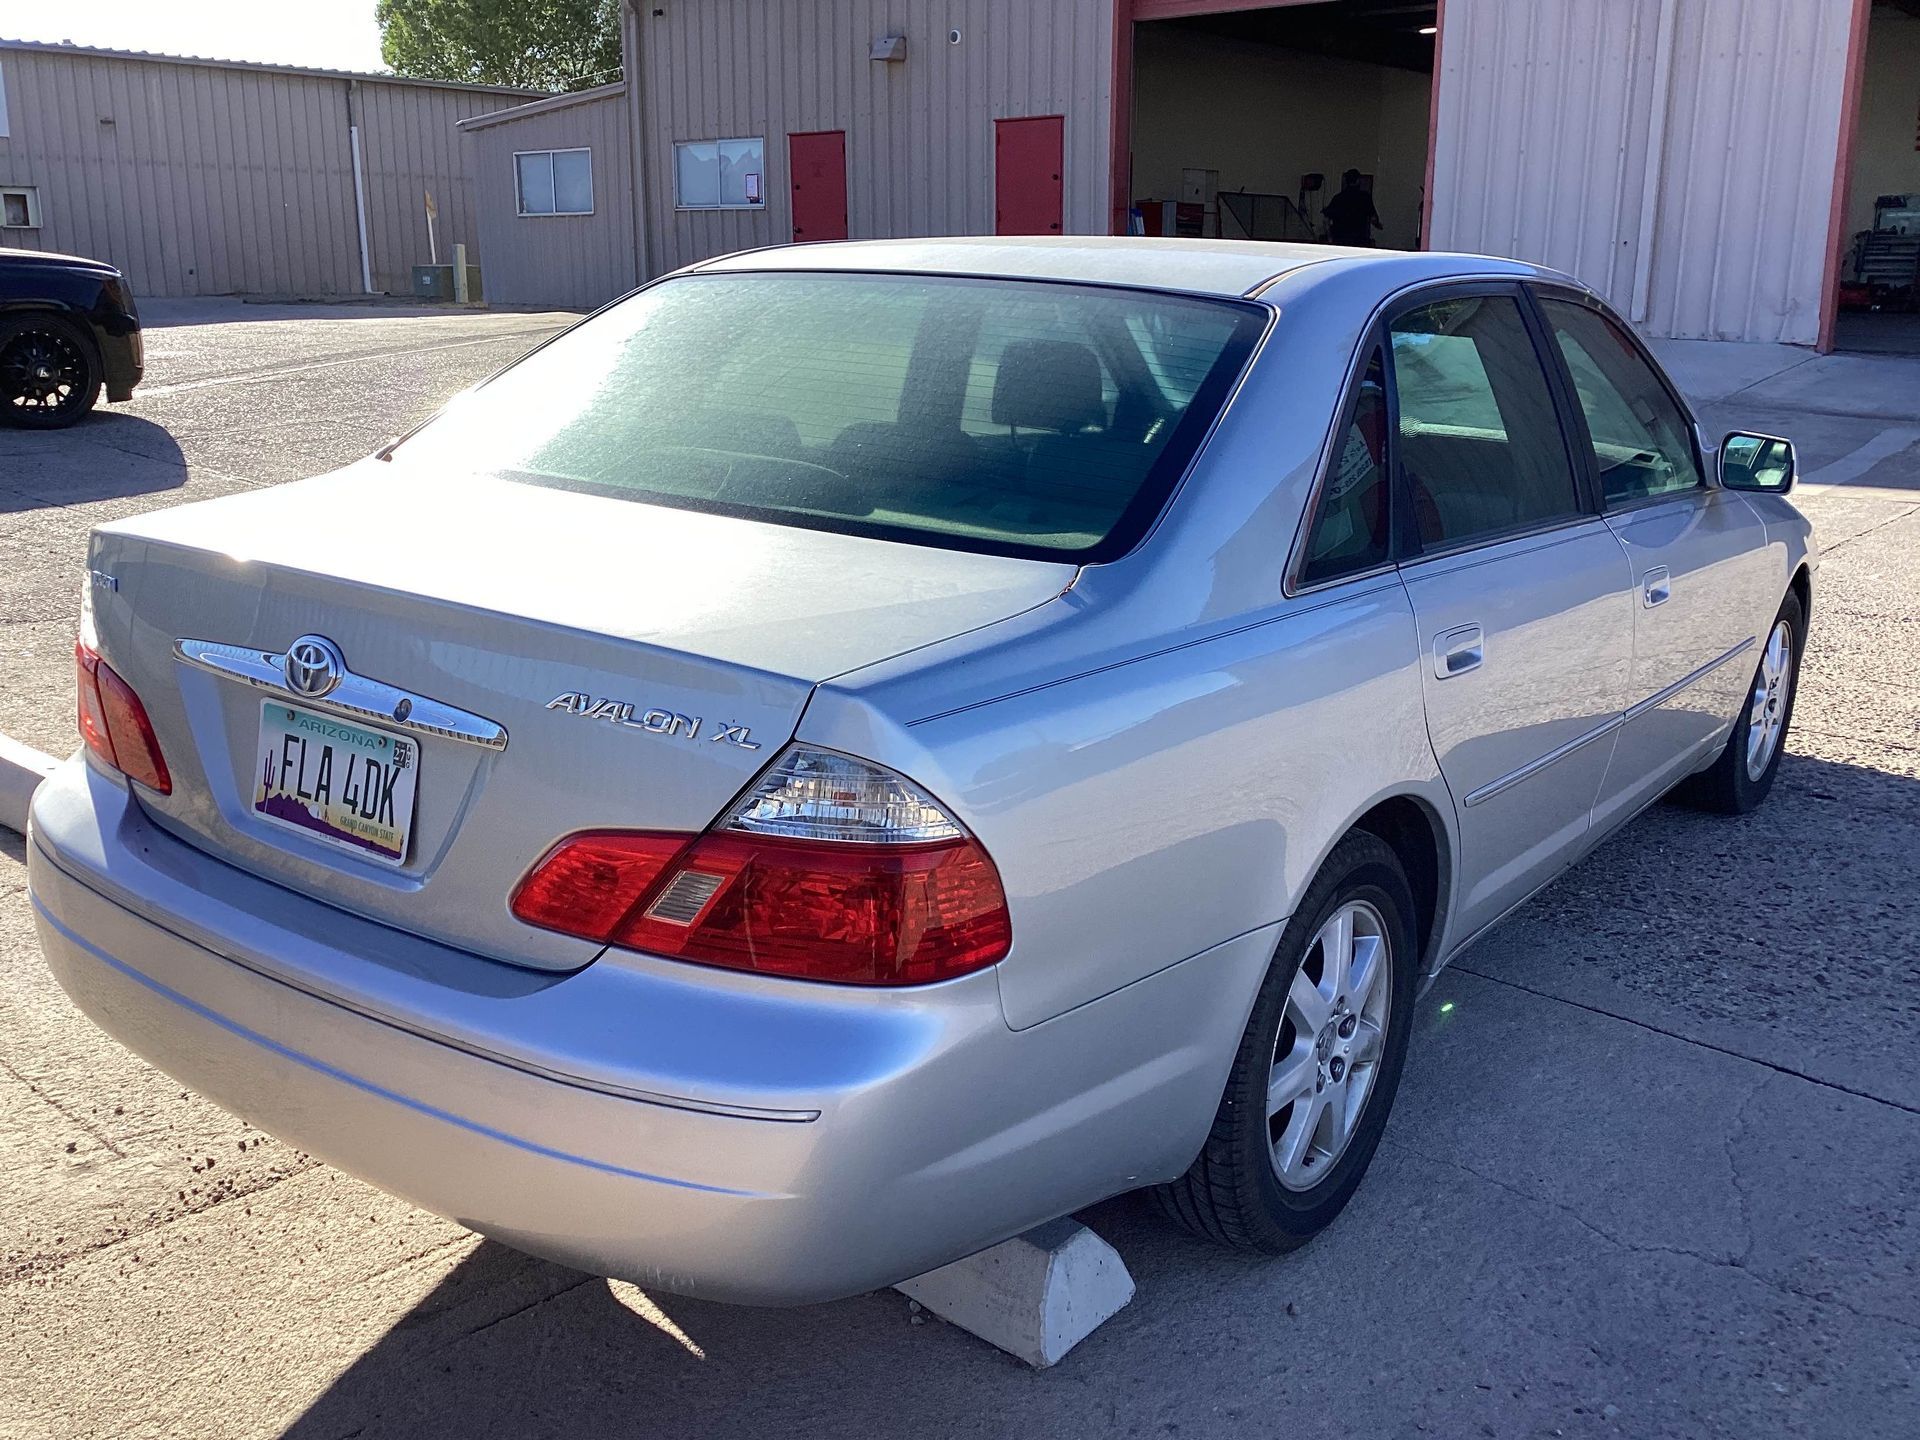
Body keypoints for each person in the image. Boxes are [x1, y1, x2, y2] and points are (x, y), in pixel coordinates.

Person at [1323, 169, 1382, 247]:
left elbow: (1327, 218)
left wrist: (1330, 237)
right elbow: (1373, 218)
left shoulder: (1338, 198)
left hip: (1340, 239)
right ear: (1358, 181)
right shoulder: (1364, 198)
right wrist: (1378, 225)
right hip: (1359, 240)